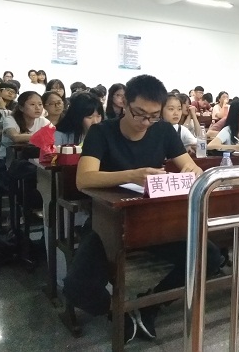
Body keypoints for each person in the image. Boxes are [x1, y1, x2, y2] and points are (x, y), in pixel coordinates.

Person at [76, 74, 220, 343]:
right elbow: (84, 179)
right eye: (139, 114)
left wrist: (192, 171)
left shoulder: (163, 131)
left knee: (209, 256)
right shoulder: (102, 132)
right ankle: (117, 312)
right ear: (124, 103)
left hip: (152, 221)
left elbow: (189, 165)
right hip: (108, 221)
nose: (145, 122)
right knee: (77, 285)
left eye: (153, 116)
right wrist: (131, 175)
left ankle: (151, 304)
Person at [0, 91, 50, 164]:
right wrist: (40, 136)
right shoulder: (10, 119)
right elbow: (15, 137)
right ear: (21, 108)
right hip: (7, 160)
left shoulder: (43, 121)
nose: (37, 108)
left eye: (40, 104)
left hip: (34, 160)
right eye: (32, 104)